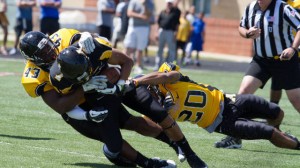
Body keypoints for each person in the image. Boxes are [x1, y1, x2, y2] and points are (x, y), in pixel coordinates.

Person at [19, 29, 177, 167]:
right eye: (43, 53)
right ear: (33, 60)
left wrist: (88, 36)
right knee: (111, 140)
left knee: (129, 121)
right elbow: (60, 106)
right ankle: (147, 163)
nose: (50, 52)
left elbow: (101, 46)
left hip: (98, 89)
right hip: (76, 107)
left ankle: (174, 143)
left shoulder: (63, 37)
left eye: (48, 46)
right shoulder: (34, 76)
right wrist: (85, 88)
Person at [50, 39, 208, 167]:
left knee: (158, 112)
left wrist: (120, 84)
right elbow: (65, 107)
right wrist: (87, 112)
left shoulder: (94, 49)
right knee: (115, 144)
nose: (88, 74)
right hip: (97, 98)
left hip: (119, 84)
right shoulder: (59, 80)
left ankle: (189, 153)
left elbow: (127, 61)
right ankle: (147, 163)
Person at [130, 62, 300, 166]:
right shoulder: (156, 112)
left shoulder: (167, 80)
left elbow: (170, 74)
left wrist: (137, 81)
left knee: (276, 112)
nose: (148, 98)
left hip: (230, 101)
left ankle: (281, 133)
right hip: (221, 122)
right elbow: (159, 126)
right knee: (267, 132)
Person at [215, 0, 300, 149]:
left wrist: (293, 48)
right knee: (242, 95)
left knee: (296, 100)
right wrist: (247, 34)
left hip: (284, 60)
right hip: (261, 61)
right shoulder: (251, 8)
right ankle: (235, 138)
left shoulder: (283, 8)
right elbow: (241, 27)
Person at [124, 0, 153, 74]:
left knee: (140, 49)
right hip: (132, 27)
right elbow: (129, 13)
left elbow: (148, 16)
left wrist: (144, 5)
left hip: (144, 28)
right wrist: (140, 16)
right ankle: (123, 64)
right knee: (128, 47)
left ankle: (138, 66)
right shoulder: (133, 1)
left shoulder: (150, 3)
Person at [154, 0, 180, 70]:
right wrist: (156, 32)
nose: (169, 4)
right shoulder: (162, 12)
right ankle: (157, 65)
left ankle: (170, 66)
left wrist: (176, 33)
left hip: (170, 32)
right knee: (160, 49)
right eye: (168, 3)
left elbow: (177, 24)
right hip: (162, 31)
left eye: (170, 3)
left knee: (171, 49)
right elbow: (158, 23)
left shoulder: (175, 12)